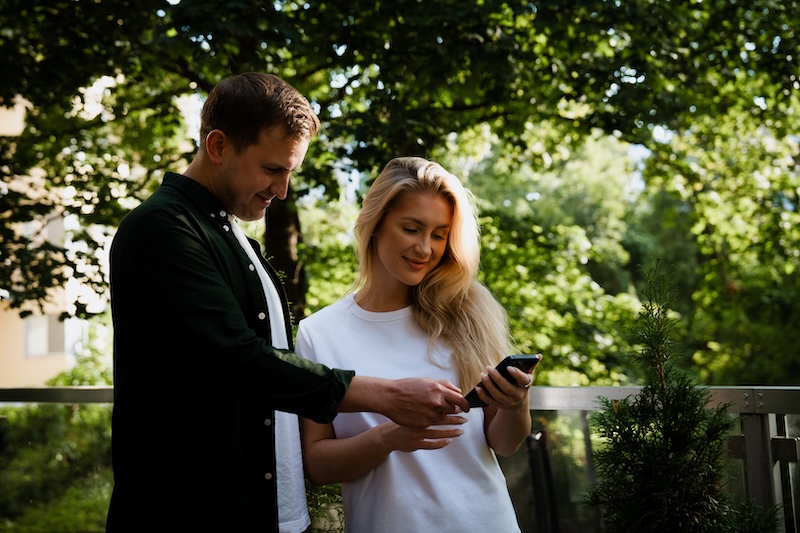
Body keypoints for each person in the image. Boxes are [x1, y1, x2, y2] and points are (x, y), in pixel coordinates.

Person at [106, 74, 470, 533]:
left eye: (290, 173)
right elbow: (237, 358)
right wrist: (388, 396)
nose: (282, 190)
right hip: (187, 510)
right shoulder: (162, 229)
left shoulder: (230, 233)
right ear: (217, 146)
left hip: (255, 511)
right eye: (273, 169)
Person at [296, 156, 535, 533]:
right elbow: (318, 465)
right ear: (375, 225)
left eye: (439, 235)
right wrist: (389, 437)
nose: (425, 248)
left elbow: (504, 444)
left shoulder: (466, 312)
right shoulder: (318, 333)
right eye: (411, 228)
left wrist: (516, 404)